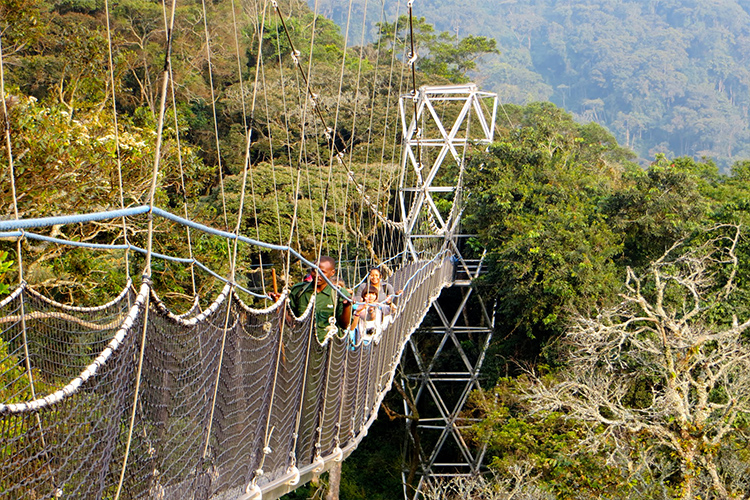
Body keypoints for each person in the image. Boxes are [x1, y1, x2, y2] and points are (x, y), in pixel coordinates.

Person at [270, 256, 352, 342]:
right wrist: (281, 304)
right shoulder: (299, 291)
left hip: (331, 348)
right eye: (314, 271)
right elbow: (290, 322)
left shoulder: (339, 294)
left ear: (332, 273)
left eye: (322, 272)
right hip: (302, 346)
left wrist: (346, 307)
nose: (317, 275)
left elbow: (344, 325)